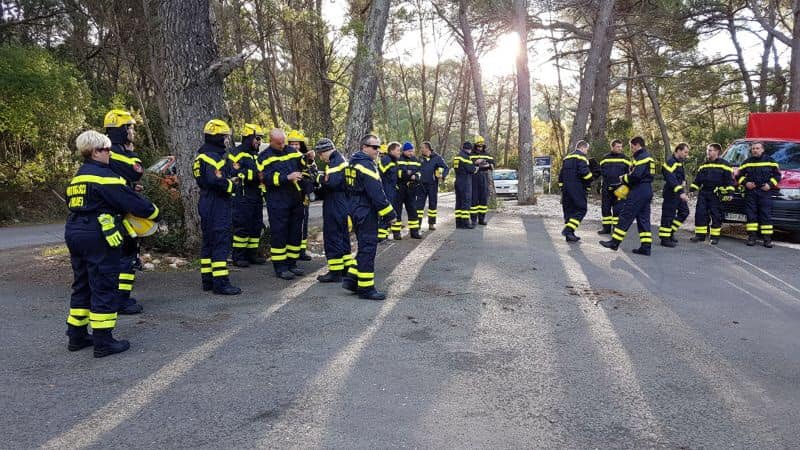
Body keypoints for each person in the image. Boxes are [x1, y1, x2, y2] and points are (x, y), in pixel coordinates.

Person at [64, 130, 159, 357]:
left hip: (75, 231)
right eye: (106, 150)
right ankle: (104, 342)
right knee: (104, 284)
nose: (109, 154)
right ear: (95, 152)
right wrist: (153, 212)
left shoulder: (78, 177)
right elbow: (133, 203)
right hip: (98, 234)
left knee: (82, 284)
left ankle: (76, 336)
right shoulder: (105, 176)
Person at [342, 134, 397, 300]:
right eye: (374, 147)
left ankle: (352, 280)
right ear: (364, 147)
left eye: (379, 147)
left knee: (363, 246)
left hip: (356, 209)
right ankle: (366, 289)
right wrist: (390, 215)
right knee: (368, 248)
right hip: (365, 211)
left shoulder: (352, 163)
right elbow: (377, 194)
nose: (378, 150)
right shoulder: (366, 166)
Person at [103, 109, 147, 315]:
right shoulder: (115, 153)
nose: (133, 132)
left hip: (117, 213)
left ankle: (122, 297)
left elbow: (121, 180)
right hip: (113, 216)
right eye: (130, 128)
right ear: (120, 130)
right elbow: (136, 170)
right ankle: (119, 300)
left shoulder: (110, 153)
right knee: (122, 258)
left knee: (127, 256)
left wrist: (130, 186)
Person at [193, 119, 242, 295]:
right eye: (224, 137)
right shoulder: (213, 157)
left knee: (209, 242)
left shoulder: (201, 155)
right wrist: (232, 184)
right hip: (217, 203)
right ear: (217, 138)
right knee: (221, 242)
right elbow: (216, 181)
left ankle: (208, 280)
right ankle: (221, 283)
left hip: (206, 201)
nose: (226, 141)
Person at [259, 129, 306, 280]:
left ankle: (292, 264)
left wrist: (309, 159)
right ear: (271, 141)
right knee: (280, 234)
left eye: (283, 142)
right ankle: (280, 267)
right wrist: (286, 177)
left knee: (295, 232)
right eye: (279, 143)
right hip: (277, 200)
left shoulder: (291, 150)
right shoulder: (264, 157)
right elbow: (265, 178)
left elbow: (302, 164)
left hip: (295, 198)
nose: (282, 145)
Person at [600, 136, 655, 255]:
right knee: (643, 220)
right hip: (646, 190)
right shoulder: (648, 157)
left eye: (632, 147)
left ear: (637, 145)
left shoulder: (642, 157)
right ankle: (646, 247)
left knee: (625, 215)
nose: (631, 149)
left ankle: (614, 243)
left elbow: (636, 176)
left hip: (638, 191)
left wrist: (623, 178)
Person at [314, 138, 354, 282]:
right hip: (341, 202)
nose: (320, 157)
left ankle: (335, 272)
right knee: (342, 235)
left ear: (325, 150)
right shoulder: (339, 159)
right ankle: (345, 267)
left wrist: (317, 178)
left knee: (332, 236)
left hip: (335, 203)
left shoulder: (336, 162)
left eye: (320, 154)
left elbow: (331, 182)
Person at [229, 123, 267, 267]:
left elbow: (262, 174)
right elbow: (235, 173)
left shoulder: (256, 156)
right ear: (249, 137)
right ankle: (238, 256)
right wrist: (256, 176)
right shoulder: (236, 153)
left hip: (256, 196)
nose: (259, 141)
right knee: (242, 226)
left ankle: (252, 254)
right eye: (257, 138)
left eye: (261, 139)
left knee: (256, 226)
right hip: (242, 197)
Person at [689, 143, 734, 245]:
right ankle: (700, 235)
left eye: (710, 150)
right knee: (700, 214)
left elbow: (730, 182)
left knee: (716, 215)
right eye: (707, 150)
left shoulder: (725, 165)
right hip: (704, 193)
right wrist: (692, 190)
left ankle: (714, 237)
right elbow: (697, 181)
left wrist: (730, 193)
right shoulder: (704, 165)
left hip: (716, 194)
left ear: (717, 152)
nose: (708, 152)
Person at [738, 141, 781, 247]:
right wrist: (746, 183)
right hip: (751, 192)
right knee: (751, 215)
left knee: (765, 215)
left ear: (762, 149)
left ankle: (767, 239)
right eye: (753, 149)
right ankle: (752, 237)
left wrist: (770, 185)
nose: (755, 150)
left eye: (757, 148)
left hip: (765, 192)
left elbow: (778, 176)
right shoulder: (746, 162)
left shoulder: (771, 161)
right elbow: (738, 176)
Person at [288, 130, 316, 261]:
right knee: (291, 225)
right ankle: (292, 250)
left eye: (297, 144)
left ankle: (302, 250)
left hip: (303, 196)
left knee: (303, 223)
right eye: (292, 144)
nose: (294, 147)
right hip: (290, 197)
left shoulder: (307, 158)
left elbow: (312, 174)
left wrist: (310, 161)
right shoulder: (286, 158)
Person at [558, 140, 593, 242]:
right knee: (581, 209)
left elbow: (561, 176)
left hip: (566, 190)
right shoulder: (582, 157)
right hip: (577, 189)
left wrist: (562, 187)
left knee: (569, 211)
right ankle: (568, 230)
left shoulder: (567, 158)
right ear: (583, 148)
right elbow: (585, 174)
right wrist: (592, 177)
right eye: (587, 149)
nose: (587, 151)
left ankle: (570, 235)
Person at [659, 143, 690, 247]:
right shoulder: (670, 162)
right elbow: (671, 179)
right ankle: (664, 239)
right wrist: (680, 192)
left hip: (679, 194)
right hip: (671, 194)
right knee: (668, 216)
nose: (686, 154)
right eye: (685, 152)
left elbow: (681, 178)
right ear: (678, 150)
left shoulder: (679, 162)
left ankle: (670, 232)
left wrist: (684, 189)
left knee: (684, 212)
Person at [597, 139, 631, 235]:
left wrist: (628, 187)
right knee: (605, 208)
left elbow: (630, 174)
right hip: (606, 187)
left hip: (621, 188)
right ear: (612, 147)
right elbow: (601, 173)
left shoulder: (626, 159)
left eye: (621, 147)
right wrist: (599, 185)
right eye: (618, 147)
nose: (620, 148)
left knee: (618, 209)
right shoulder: (605, 158)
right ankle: (606, 228)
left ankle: (616, 228)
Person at [417, 141, 449, 231]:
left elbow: (446, 168)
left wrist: (442, 175)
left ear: (427, 148)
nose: (421, 149)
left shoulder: (437, 158)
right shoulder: (420, 158)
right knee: (419, 206)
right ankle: (417, 224)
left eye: (422, 148)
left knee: (432, 204)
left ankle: (431, 224)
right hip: (421, 185)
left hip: (432, 185)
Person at [397, 141, 423, 239]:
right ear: (404, 151)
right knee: (397, 210)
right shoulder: (398, 159)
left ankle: (414, 232)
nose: (411, 153)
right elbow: (397, 173)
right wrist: (407, 174)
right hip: (400, 188)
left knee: (413, 210)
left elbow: (420, 172)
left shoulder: (415, 160)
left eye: (412, 151)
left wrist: (415, 176)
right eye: (409, 151)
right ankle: (396, 233)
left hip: (412, 189)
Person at [378, 141, 402, 241]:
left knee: (392, 213)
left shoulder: (394, 161)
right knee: (385, 213)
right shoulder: (386, 160)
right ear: (391, 150)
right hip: (386, 191)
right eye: (398, 150)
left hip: (392, 190)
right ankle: (381, 237)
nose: (399, 152)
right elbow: (379, 176)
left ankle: (389, 235)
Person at [454, 142, 480, 229]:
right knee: (466, 202)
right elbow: (471, 170)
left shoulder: (457, 157)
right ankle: (466, 223)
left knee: (459, 202)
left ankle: (458, 222)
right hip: (465, 182)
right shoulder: (465, 157)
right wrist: (476, 166)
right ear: (469, 149)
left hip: (458, 181)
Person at [470, 135, 494, 225]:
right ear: (475, 145)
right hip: (474, 178)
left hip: (484, 177)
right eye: (478, 145)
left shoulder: (487, 155)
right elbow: (468, 165)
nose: (480, 147)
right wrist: (476, 162)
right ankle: (473, 219)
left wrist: (486, 165)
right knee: (474, 199)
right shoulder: (471, 155)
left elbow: (492, 165)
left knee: (483, 199)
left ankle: (482, 219)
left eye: (481, 145)